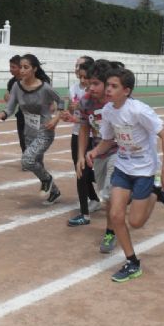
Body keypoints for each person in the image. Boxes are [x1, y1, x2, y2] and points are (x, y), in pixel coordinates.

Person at [87, 68, 164, 283]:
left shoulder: (139, 111)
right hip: (123, 167)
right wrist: (95, 151)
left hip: (144, 170)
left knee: (135, 222)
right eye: (108, 85)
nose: (108, 89)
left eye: (114, 86)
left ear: (126, 91)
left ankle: (155, 192)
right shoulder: (108, 110)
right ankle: (132, 262)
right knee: (116, 215)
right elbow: (108, 140)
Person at [0, 54, 63, 204]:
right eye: (21, 67)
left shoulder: (44, 87)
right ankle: (54, 191)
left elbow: (61, 101)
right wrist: (1, 114)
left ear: (34, 69)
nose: (22, 70)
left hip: (45, 131)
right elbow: (10, 107)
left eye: (26, 67)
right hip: (29, 132)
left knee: (27, 160)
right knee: (38, 165)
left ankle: (47, 180)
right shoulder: (16, 86)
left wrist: (56, 119)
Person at [70, 60, 118, 253]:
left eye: (96, 83)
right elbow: (84, 128)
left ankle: (110, 232)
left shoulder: (116, 102)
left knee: (109, 194)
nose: (90, 87)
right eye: (89, 83)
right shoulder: (86, 101)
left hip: (120, 152)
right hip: (100, 152)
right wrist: (81, 156)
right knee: (107, 194)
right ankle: (149, 189)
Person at [64, 56, 100, 223]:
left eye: (86, 76)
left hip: (96, 137)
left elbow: (92, 119)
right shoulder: (73, 89)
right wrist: (70, 113)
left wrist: (78, 114)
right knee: (80, 171)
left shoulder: (96, 93)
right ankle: (87, 209)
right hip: (78, 133)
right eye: (77, 67)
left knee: (93, 172)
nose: (82, 78)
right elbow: (74, 113)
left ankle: (126, 187)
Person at [4, 55, 26, 154]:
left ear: (20, 67)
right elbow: (9, 99)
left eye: (13, 67)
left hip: (35, 114)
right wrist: (7, 97)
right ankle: (26, 157)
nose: (11, 69)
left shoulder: (29, 79)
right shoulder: (12, 82)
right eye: (10, 67)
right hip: (22, 114)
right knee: (22, 139)